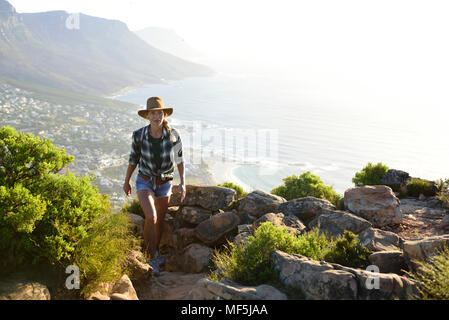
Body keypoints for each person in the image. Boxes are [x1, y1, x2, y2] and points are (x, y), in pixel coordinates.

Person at [123, 97, 186, 275]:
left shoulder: (173, 134)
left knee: (159, 221)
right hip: (144, 180)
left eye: (159, 112)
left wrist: (183, 183)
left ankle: (155, 254)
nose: (156, 116)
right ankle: (149, 256)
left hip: (165, 183)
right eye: (153, 113)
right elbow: (133, 159)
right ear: (148, 116)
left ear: (164, 114)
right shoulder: (138, 135)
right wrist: (126, 181)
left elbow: (180, 161)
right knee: (151, 216)